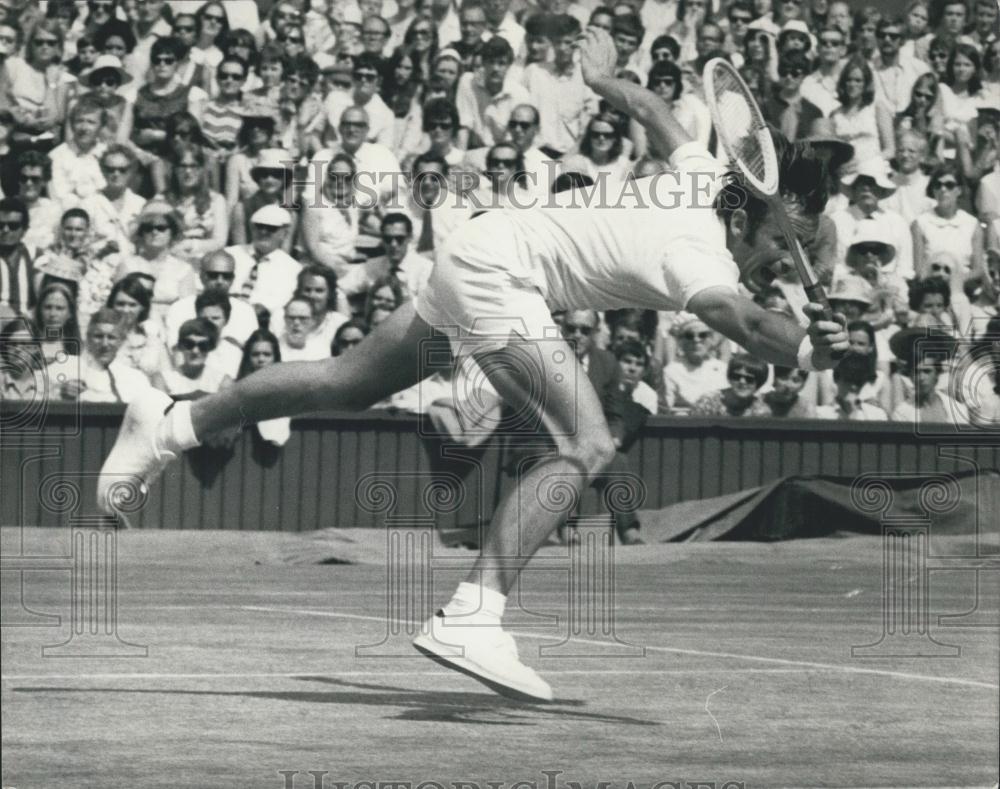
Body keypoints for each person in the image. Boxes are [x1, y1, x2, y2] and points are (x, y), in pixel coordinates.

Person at [97, 29, 849, 704]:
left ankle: (170, 423)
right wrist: (813, 347)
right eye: (779, 248)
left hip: (480, 252)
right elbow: (741, 319)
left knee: (350, 380)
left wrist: (600, 81)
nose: (775, 264)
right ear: (747, 216)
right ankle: (474, 612)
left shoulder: (698, 172)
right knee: (586, 443)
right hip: (501, 277)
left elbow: (653, 108)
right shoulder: (698, 251)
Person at [46, 307, 151, 402]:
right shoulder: (65, 365)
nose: (104, 344)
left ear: (121, 341)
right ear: (87, 338)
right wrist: (58, 393)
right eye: (98, 336)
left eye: (111, 337)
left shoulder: (136, 379)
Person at [815, 352, 890, 420]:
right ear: (836, 378)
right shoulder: (820, 415)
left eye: (858, 382)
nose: (853, 386)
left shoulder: (877, 415)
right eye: (848, 380)